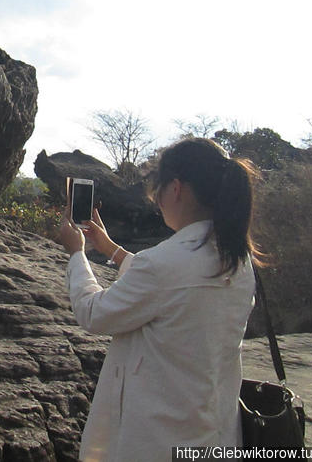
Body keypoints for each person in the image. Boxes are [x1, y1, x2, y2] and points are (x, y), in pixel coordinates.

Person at [54, 138, 260, 461]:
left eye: (159, 189)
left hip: (155, 442)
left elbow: (93, 313)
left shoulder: (164, 264)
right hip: (216, 438)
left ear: (176, 188)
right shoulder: (240, 260)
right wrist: (110, 248)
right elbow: (173, 284)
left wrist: (76, 253)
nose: (157, 199)